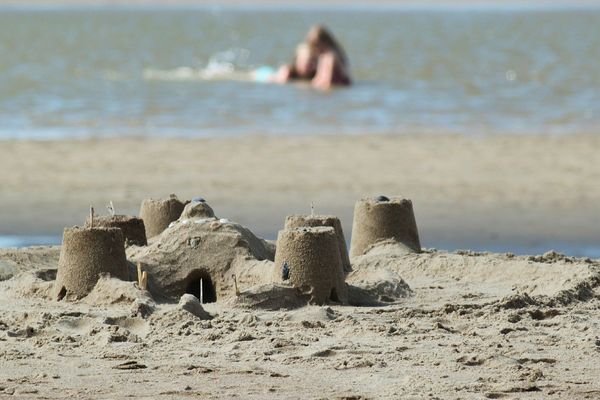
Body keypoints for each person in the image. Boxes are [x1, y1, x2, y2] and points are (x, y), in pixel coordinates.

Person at [273, 25, 351, 90]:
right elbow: (320, 78)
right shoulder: (327, 56)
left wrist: (309, 86)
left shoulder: (329, 57)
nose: (314, 49)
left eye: (315, 45)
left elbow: (327, 81)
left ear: (323, 42)